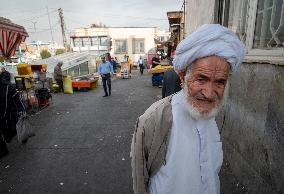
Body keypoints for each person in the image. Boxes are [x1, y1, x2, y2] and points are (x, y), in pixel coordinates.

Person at [131, 24, 246, 194]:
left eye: (220, 82)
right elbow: (140, 182)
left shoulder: (218, 115)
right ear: (183, 76)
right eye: (201, 79)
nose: (209, 93)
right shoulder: (153, 120)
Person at [0, 71, 25, 158]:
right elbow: (17, 101)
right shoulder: (10, 87)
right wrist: (22, 110)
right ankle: (20, 136)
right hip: (11, 113)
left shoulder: (5, 87)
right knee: (16, 125)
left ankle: (7, 141)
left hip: (4, 114)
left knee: (6, 128)